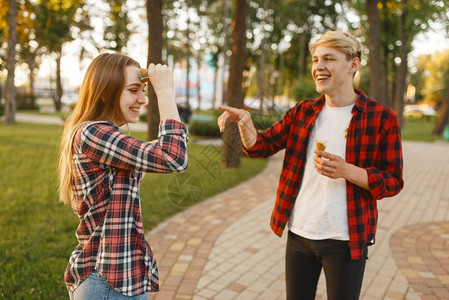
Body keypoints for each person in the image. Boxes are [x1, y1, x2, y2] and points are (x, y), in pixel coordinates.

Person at [217, 31, 403, 299]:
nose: (318, 67)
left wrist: (347, 171)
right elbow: (262, 145)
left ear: (353, 64)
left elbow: (394, 180)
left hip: (345, 239)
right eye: (316, 60)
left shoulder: (382, 117)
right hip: (300, 234)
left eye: (328, 58)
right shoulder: (303, 111)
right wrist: (246, 124)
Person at [58, 53, 188, 299]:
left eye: (144, 91)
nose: (142, 99)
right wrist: (166, 93)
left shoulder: (107, 137)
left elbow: (166, 151)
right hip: (106, 282)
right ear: (106, 92)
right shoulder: (93, 134)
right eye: (133, 90)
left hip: (123, 277)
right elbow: (174, 157)